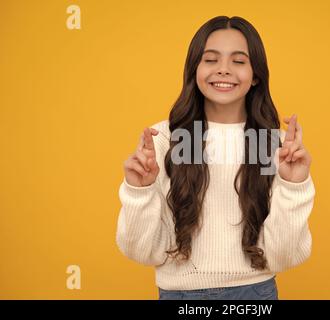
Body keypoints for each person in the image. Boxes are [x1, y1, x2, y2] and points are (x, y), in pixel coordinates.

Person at [116, 16, 315, 300]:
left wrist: (294, 186)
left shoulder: (278, 146)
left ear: (256, 73)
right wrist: (139, 191)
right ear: (194, 69)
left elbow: (282, 257)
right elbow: (142, 252)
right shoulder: (162, 140)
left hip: (255, 295)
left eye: (238, 61)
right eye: (210, 60)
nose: (223, 70)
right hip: (179, 297)